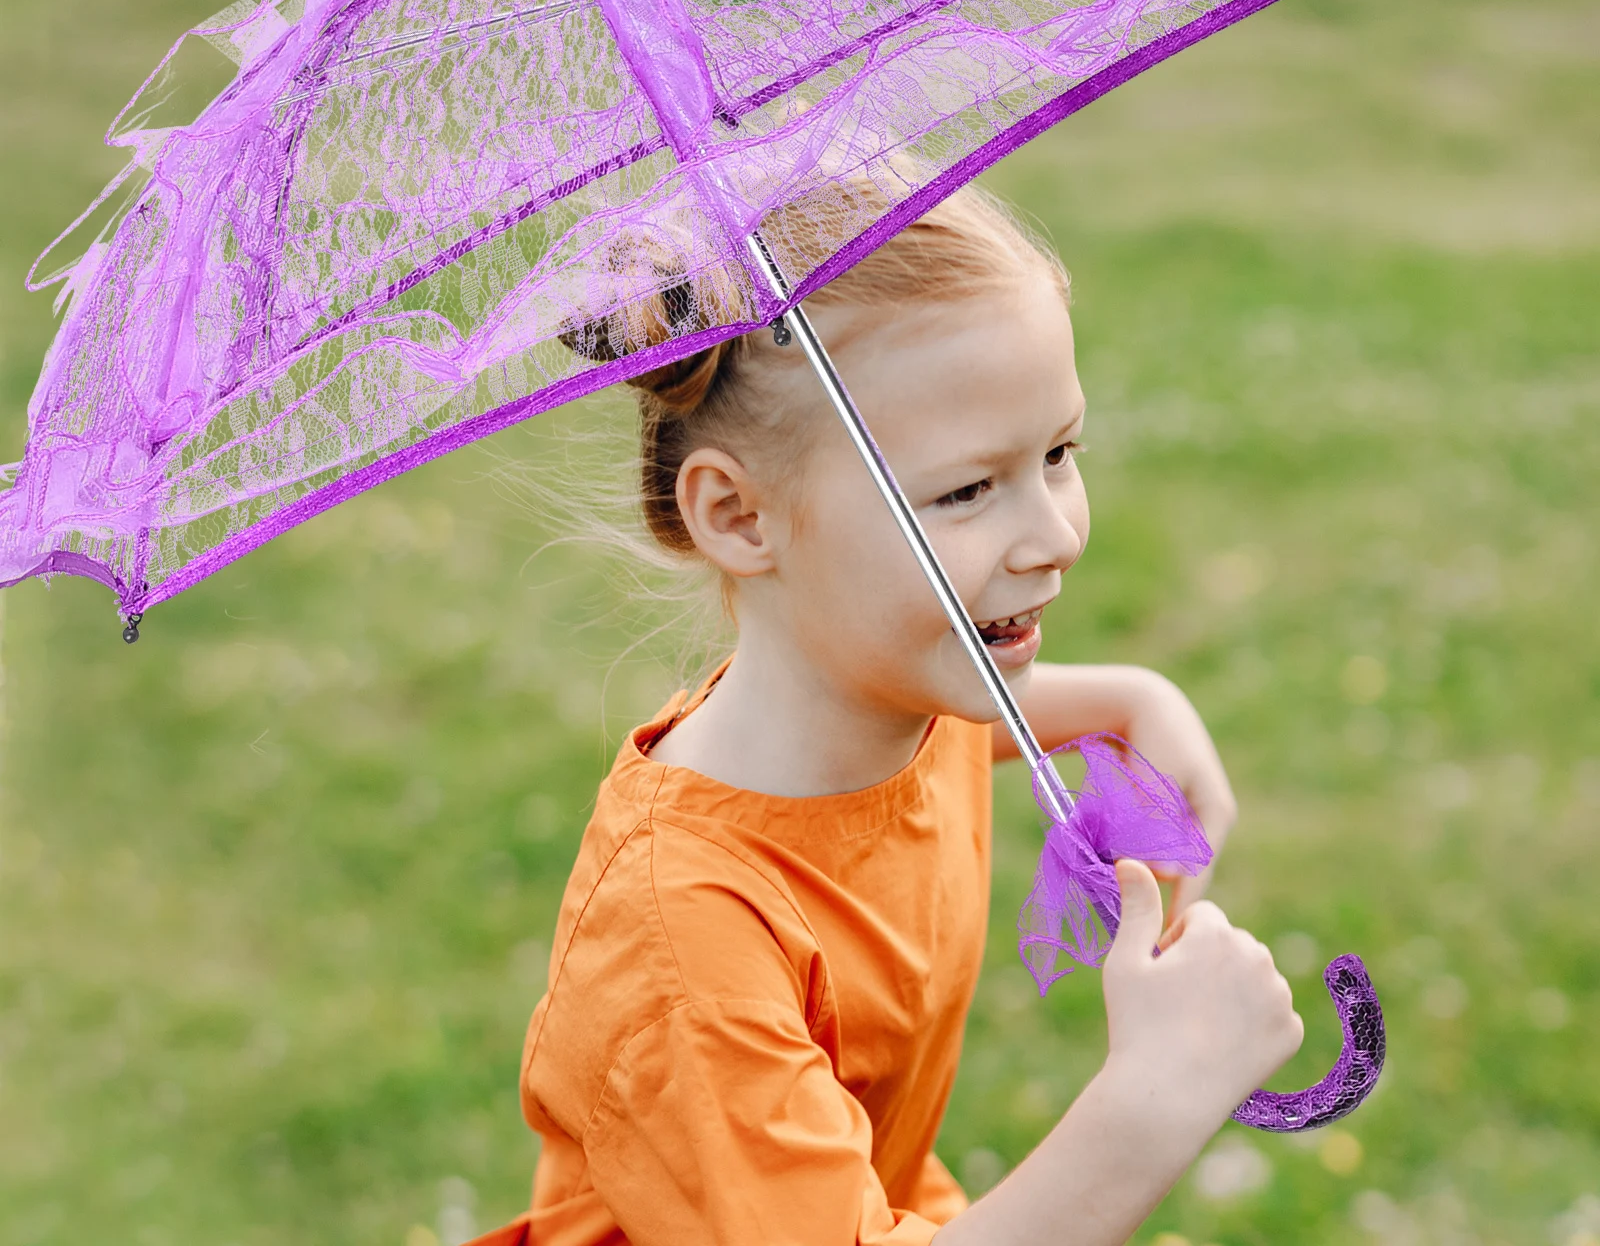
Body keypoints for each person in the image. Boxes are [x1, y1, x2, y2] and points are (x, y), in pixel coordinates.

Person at [472, 186, 1303, 1246]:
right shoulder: (683, 948)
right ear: (738, 515)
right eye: (965, 491)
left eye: (1058, 454)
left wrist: (1135, 702)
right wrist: (1148, 1103)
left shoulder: (896, 691)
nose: (1054, 535)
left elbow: (964, 736)